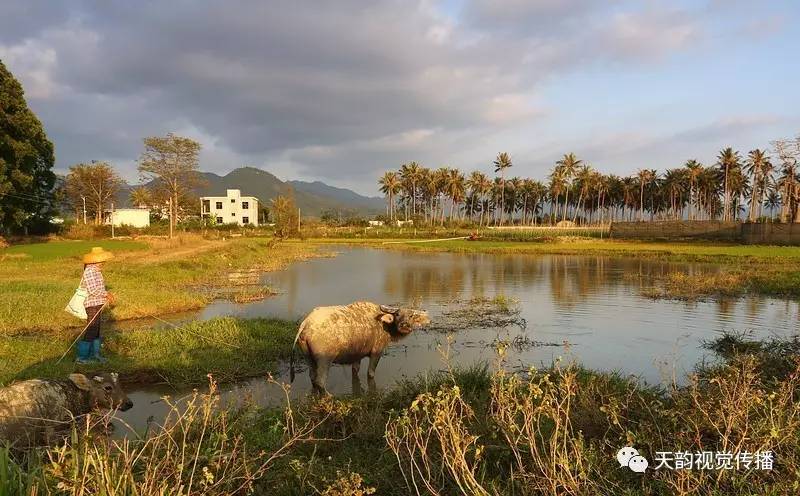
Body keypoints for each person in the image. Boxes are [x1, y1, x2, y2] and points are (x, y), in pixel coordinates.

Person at [77, 246, 116, 364]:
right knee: (91, 329)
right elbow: (93, 290)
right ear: (95, 260)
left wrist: (106, 296)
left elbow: (98, 289)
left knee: (97, 330)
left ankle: (96, 355)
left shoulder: (97, 271)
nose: (103, 262)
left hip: (97, 303)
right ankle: (82, 358)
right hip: (91, 304)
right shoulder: (89, 271)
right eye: (101, 260)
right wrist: (106, 294)